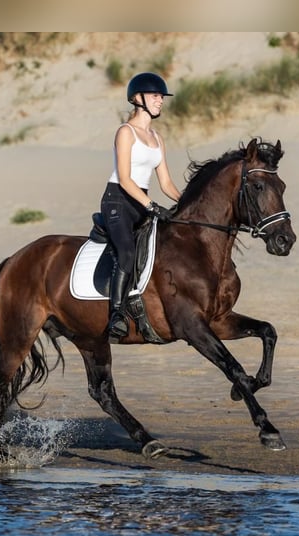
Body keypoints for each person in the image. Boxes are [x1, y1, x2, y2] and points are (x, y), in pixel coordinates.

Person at [101, 72, 182, 341]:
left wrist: (186, 204)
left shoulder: (157, 137)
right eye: (155, 96)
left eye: (161, 97)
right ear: (137, 99)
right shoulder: (125, 132)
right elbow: (125, 179)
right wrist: (152, 205)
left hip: (142, 203)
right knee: (127, 252)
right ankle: (116, 316)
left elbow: (167, 182)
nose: (160, 101)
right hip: (119, 202)